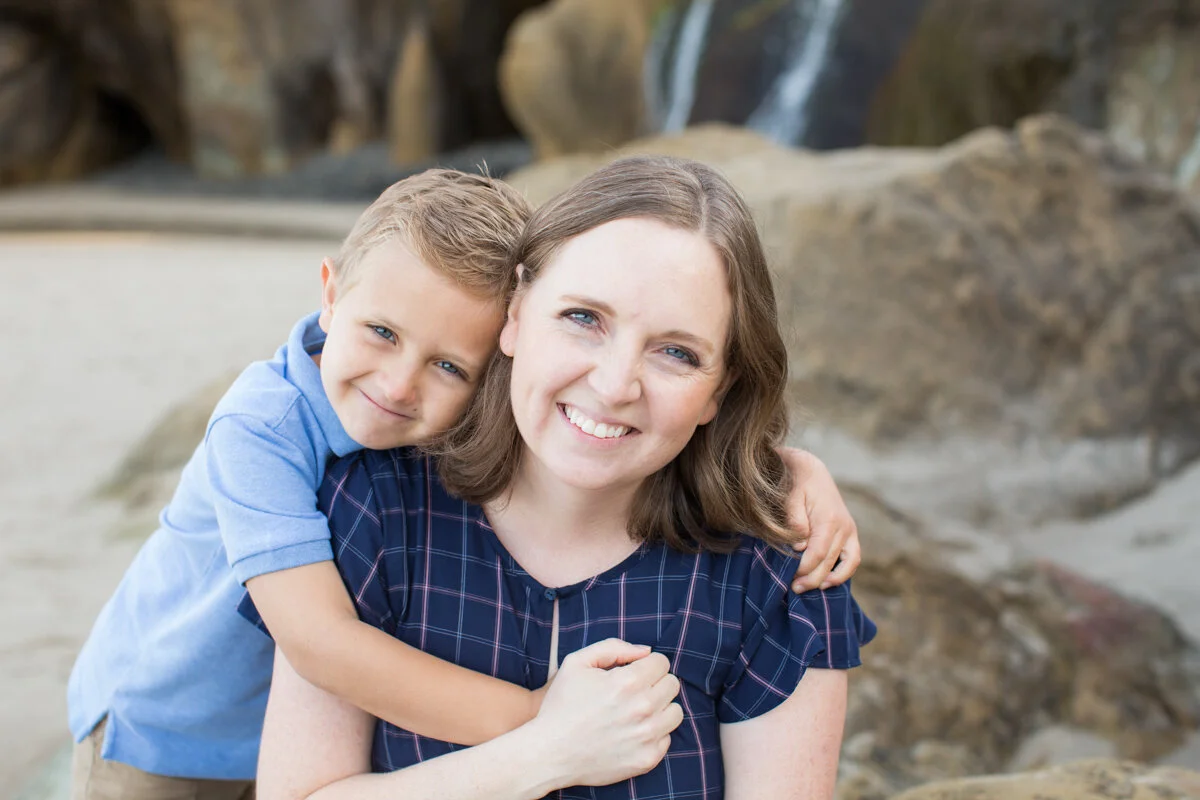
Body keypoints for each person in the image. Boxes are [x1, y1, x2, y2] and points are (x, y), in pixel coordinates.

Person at [68, 167, 862, 799]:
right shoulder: (316, 463)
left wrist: (791, 468)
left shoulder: (777, 571)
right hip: (154, 730)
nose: (614, 384)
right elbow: (320, 645)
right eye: (584, 317)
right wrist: (543, 735)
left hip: (250, 731)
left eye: (678, 353)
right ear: (518, 318)